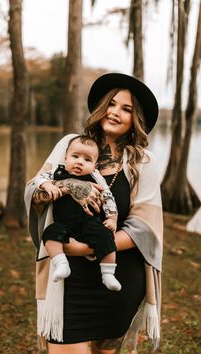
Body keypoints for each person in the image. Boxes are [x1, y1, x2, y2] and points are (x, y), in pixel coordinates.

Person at [25, 73, 163, 354]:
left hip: (117, 278)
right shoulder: (69, 144)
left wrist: (84, 248)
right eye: (112, 103)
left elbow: (144, 227)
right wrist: (70, 185)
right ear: (102, 107)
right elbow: (34, 191)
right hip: (68, 277)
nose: (115, 112)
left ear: (135, 119)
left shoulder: (142, 162)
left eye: (126, 109)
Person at [40, 134, 121, 291]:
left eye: (87, 160)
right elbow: (38, 179)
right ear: (65, 158)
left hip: (89, 222)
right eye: (75, 156)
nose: (79, 162)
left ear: (95, 166)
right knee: (50, 232)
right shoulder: (57, 172)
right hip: (63, 224)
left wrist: (112, 218)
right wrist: (45, 185)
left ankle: (108, 273)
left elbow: (108, 196)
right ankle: (61, 264)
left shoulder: (96, 178)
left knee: (106, 235)